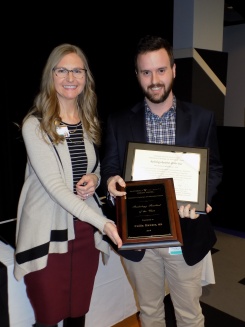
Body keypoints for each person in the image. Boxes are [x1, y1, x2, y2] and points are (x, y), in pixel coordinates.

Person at [100, 35, 223, 327]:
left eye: (161, 70)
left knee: (190, 315)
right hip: (139, 237)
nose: (154, 79)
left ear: (174, 70)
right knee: (149, 312)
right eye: (146, 72)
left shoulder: (202, 118)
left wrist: (200, 197)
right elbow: (110, 167)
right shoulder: (118, 121)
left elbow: (214, 167)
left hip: (186, 232)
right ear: (137, 75)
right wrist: (110, 181)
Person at [13, 43, 122, 327]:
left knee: (78, 313)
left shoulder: (89, 121)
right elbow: (55, 187)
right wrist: (104, 223)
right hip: (48, 233)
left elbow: (93, 166)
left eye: (77, 70)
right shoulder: (34, 125)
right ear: (51, 75)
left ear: (86, 77)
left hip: (83, 234)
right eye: (62, 70)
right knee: (48, 317)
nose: (70, 78)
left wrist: (95, 178)